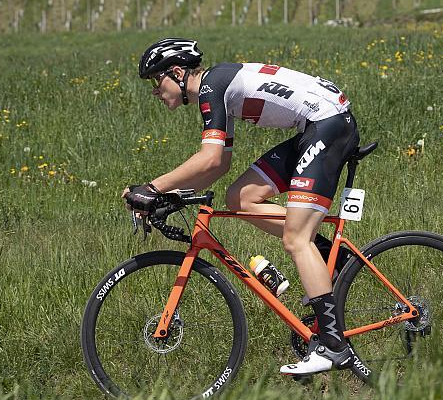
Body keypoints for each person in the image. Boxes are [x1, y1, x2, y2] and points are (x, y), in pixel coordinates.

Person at [123, 38, 359, 375]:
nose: (154, 92)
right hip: (317, 125)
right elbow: (217, 166)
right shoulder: (217, 87)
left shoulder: (211, 86)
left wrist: (152, 187)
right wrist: (168, 197)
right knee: (240, 199)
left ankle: (334, 347)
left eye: (155, 81)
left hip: (329, 125)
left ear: (176, 73)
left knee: (295, 239)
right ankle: (324, 250)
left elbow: (210, 158)